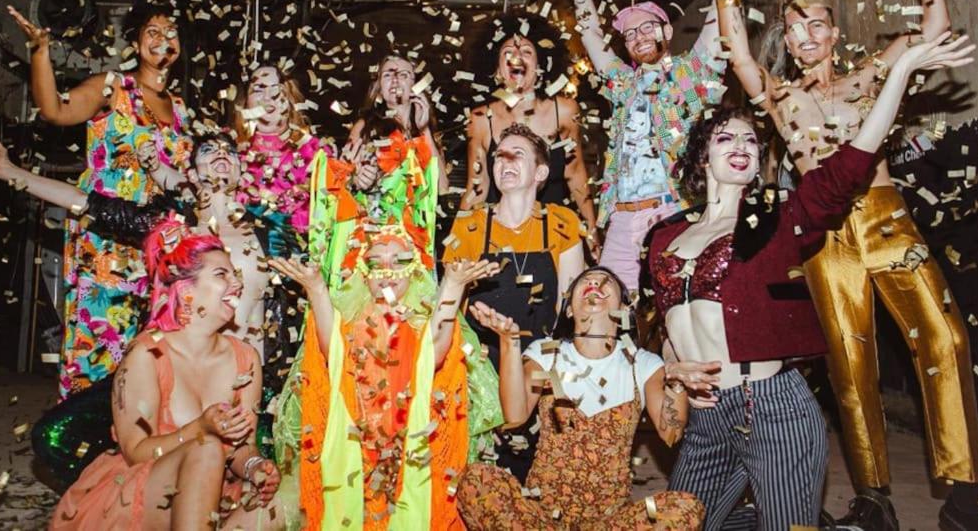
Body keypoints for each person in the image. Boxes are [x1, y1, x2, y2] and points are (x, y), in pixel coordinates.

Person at [715, 0, 978, 529]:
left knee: (944, 337)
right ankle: (874, 495)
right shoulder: (778, 97)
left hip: (885, 217)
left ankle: (967, 487)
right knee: (849, 358)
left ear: (835, 33)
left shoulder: (868, 78)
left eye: (814, 25)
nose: (802, 36)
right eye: (791, 28)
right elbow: (735, 49)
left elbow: (935, 32)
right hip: (823, 234)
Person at [639, 32, 975, 530]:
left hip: (774, 410)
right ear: (700, 156)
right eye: (726, 138)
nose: (742, 147)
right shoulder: (664, 235)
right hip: (707, 419)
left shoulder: (776, 217)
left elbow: (850, 164)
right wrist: (673, 366)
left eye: (751, 141)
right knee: (674, 524)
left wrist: (900, 71)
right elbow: (661, 323)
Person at [0, 132, 290, 483]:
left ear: (242, 171)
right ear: (191, 174)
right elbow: (84, 202)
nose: (222, 154)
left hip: (244, 382)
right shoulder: (165, 225)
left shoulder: (270, 233)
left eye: (230, 151)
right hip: (167, 372)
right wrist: (14, 174)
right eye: (209, 150)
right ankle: (139, 497)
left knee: (266, 472)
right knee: (54, 437)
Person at [555, 0, 764, 291]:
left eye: (647, 26)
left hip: (675, 211)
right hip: (621, 219)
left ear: (667, 31)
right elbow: (591, 35)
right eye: (630, 33)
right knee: (618, 312)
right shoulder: (622, 83)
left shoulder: (696, 69)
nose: (638, 36)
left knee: (676, 310)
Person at [8, 0, 193, 398]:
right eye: (153, 32)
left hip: (158, 243)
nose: (164, 40)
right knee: (103, 338)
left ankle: (137, 441)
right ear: (135, 42)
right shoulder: (114, 87)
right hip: (106, 238)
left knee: (151, 346)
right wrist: (40, 52)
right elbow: (55, 110)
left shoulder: (181, 110)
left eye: (171, 32)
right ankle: (85, 440)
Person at [50, 218, 283, 530]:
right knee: (207, 447)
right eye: (221, 274)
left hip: (217, 497)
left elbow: (244, 447)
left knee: (289, 501)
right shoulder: (147, 354)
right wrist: (200, 428)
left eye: (235, 274)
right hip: (144, 493)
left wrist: (255, 467)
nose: (238, 284)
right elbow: (136, 452)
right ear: (187, 292)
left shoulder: (246, 359)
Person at [269, 228, 501, 529]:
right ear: (363, 273)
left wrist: (454, 286)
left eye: (399, 260)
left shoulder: (418, 321)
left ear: (416, 269)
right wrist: (315, 288)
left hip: (409, 451)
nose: (387, 271)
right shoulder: (353, 320)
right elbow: (333, 352)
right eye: (376, 262)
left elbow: (435, 354)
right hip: (355, 449)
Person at [457, 266, 703, 530]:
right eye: (585, 281)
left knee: (686, 509)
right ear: (570, 309)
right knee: (476, 479)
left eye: (605, 282)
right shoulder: (546, 353)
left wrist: (677, 382)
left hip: (609, 522)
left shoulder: (642, 364)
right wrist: (510, 342)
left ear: (622, 308)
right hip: (540, 518)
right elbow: (514, 416)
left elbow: (671, 434)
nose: (594, 283)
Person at [443, 123, 585, 481]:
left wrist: (544, 369)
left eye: (516, 154)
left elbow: (570, 308)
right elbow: (451, 308)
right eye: (499, 156)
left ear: (540, 172)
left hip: (538, 359)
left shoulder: (562, 221)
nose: (504, 161)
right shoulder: (470, 225)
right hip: (479, 362)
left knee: (528, 469)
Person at [461, 14, 598, 254]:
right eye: (507, 53)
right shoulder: (481, 118)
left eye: (526, 51)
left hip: (556, 233)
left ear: (540, 66)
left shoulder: (564, 111)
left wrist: (592, 229)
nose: (516, 57)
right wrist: (458, 239)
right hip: (502, 235)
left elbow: (576, 175)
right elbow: (477, 187)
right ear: (497, 69)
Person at [230, 64, 328, 234]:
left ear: (289, 100)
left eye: (276, 89)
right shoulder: (229, 148)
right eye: (258, 90)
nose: (268, 97)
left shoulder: (315, 150)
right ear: (245, 102)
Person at [343, 53, 449, 196]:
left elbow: (442, 188)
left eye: (404, 75)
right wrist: (357, 180)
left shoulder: (428, 128)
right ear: (379, 87)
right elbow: (343, 177)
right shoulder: (364, 126)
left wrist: (425, 131)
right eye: (387, 75)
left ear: (415, 85)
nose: (395, 79)